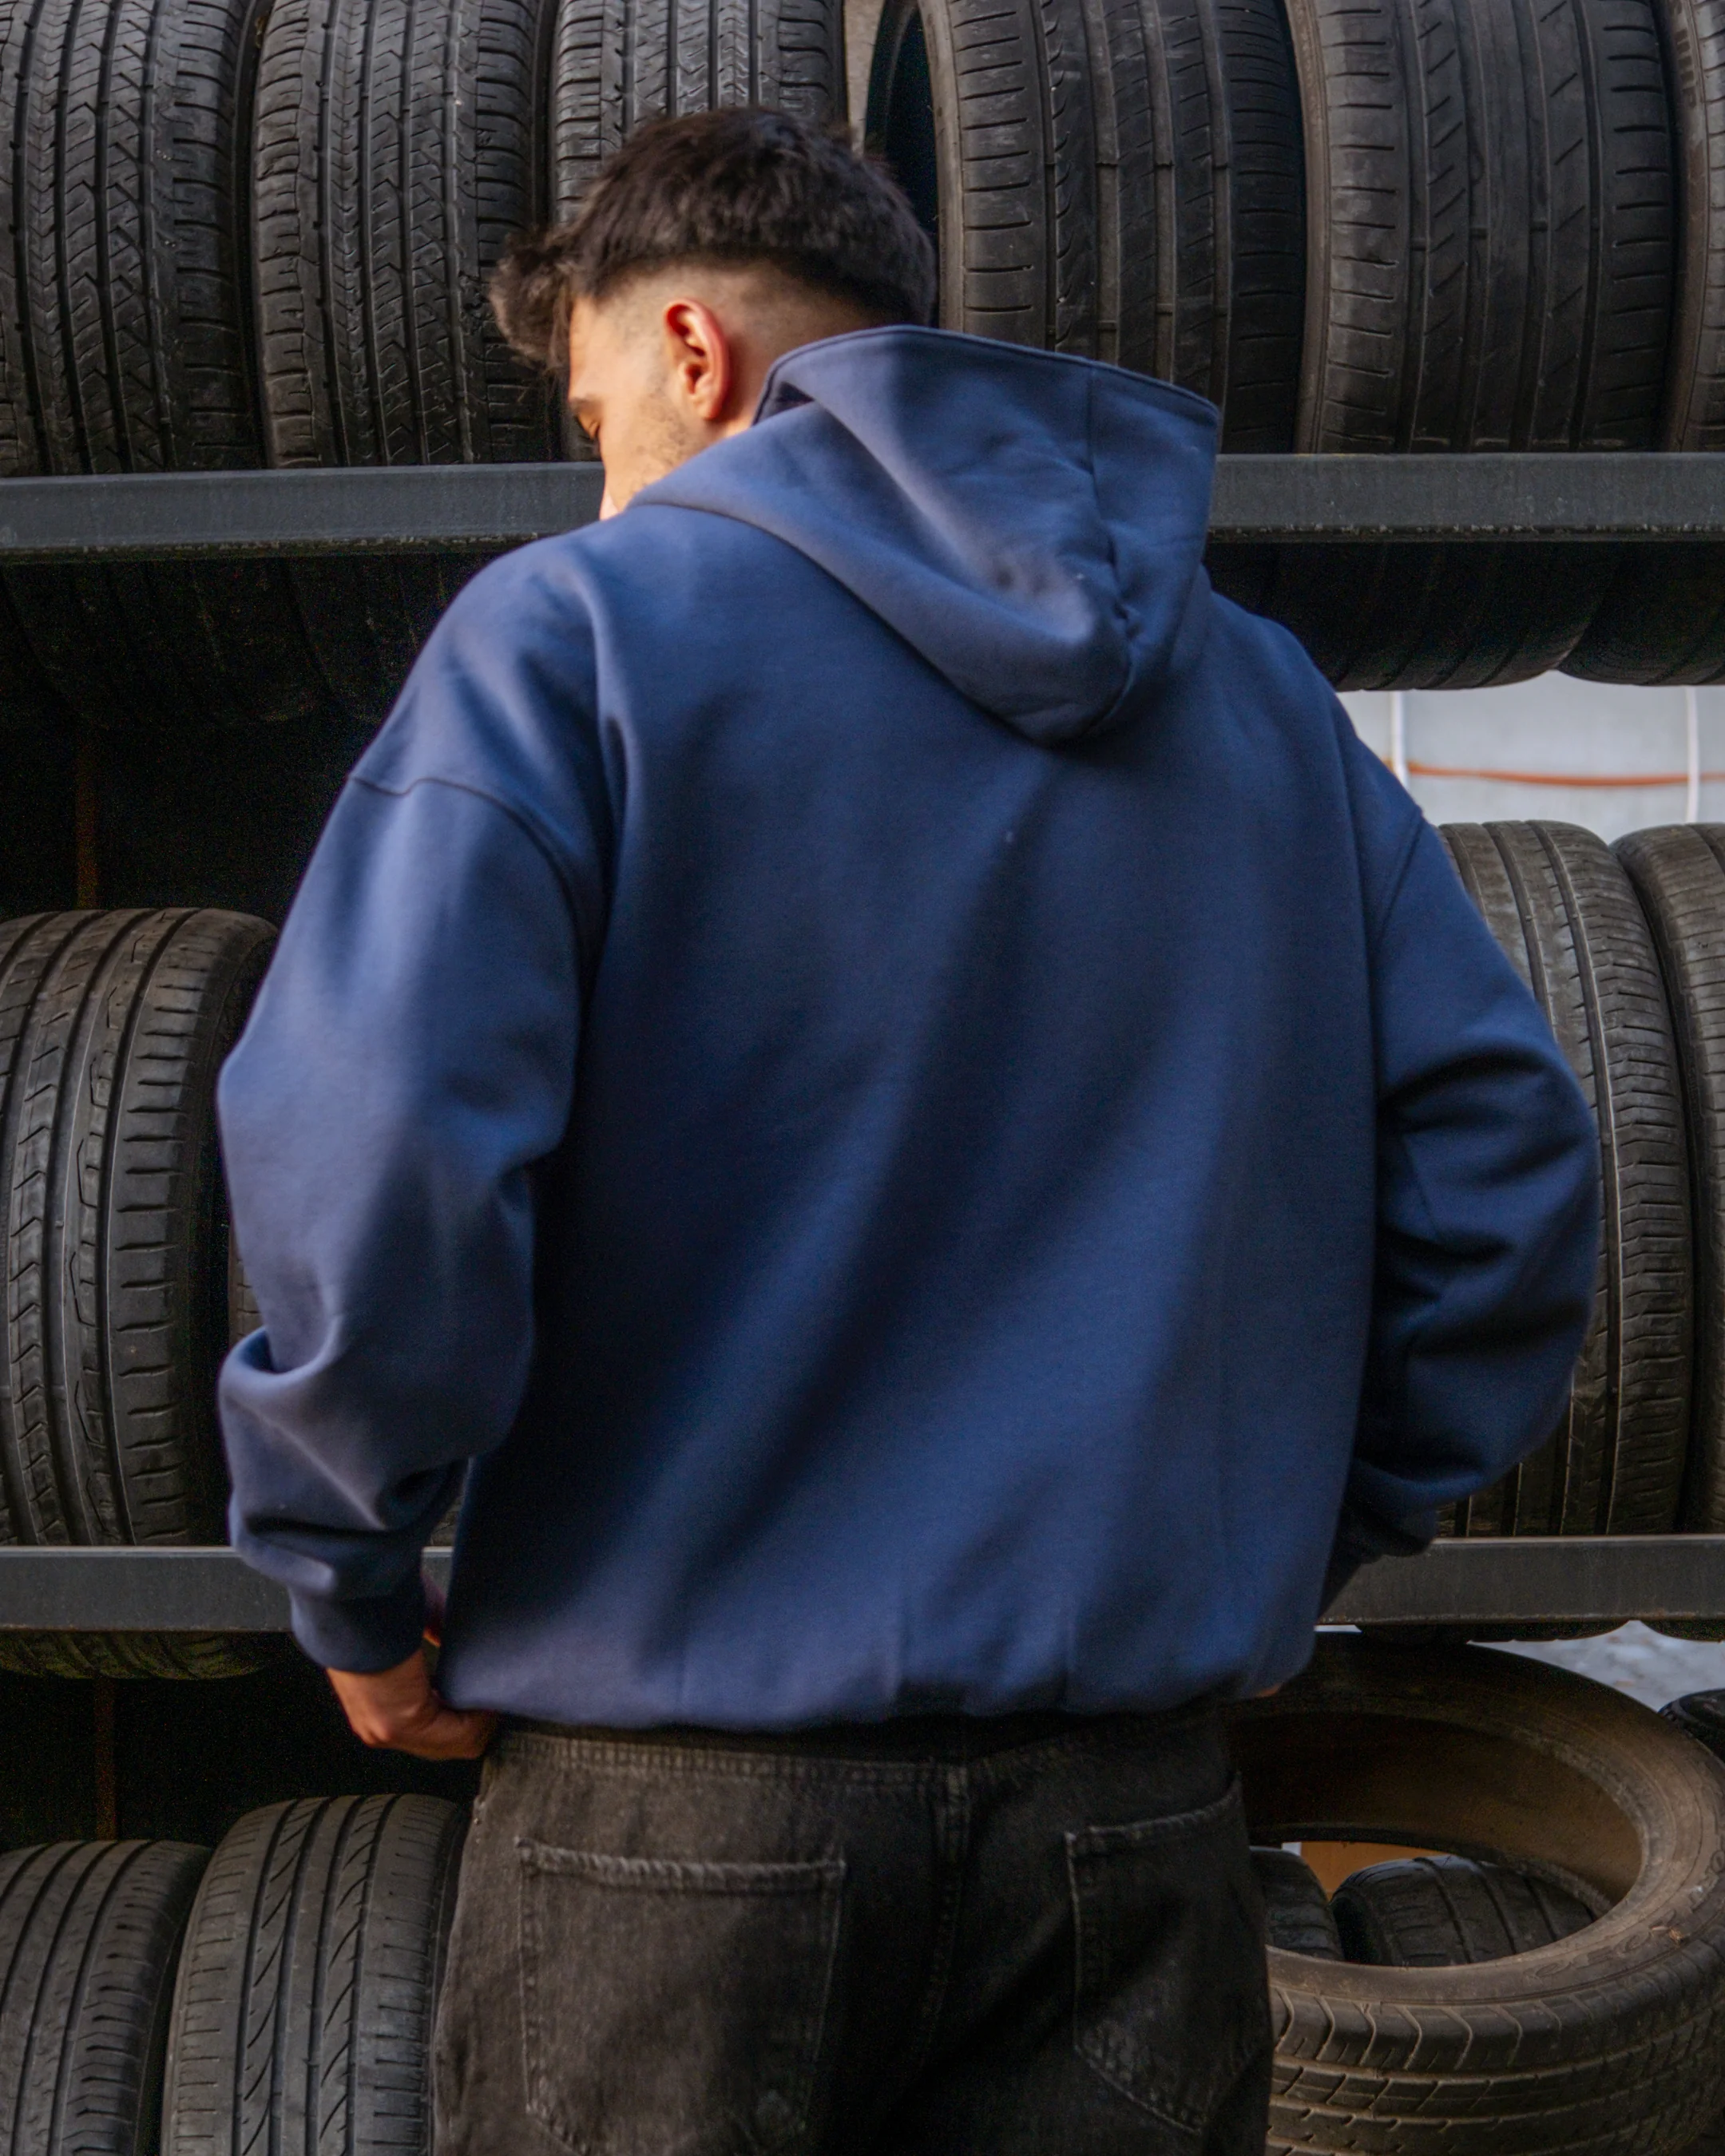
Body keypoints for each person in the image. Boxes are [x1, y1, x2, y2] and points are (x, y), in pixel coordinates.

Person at [217, 106, 1599, 2156]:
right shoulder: (1261, 704)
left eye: (597, 416)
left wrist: (349, 1578)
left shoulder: (570, 639)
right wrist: (1293, 1535)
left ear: (694, 353)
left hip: (675, 1812)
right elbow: (1504, 1174)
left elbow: (389, 1149)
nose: (604, 484)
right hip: (1129, 1818)